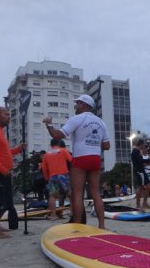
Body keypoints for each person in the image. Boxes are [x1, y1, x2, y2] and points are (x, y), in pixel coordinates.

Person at [43, 94, 110, 229]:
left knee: (77, 193)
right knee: (96, 193)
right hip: (95, 159)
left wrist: (49, 124)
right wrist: (94, 144)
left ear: (84, 105)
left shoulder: (76, 119)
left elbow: (57, 135)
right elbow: (107, 146)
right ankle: (102, 226)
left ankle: (78, 226)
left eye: (77, 103)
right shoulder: (101, 122)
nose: (75, 105)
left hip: (80, 158)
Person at [0, 106, 25, 238]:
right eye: (6, 114)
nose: (9, 117)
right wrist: (2, 170)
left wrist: (18, 149)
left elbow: (4, 152)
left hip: (4, 171)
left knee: (5, 202)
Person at [41, 138, 72, 220]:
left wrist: (47, 178)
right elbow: (71, 160)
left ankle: (53, 215)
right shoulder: (64, 151)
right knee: (70, 194)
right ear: (59, 143)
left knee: (52, 196)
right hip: (63, 175)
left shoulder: (46, 154)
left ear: (51, 145)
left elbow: (44, 168)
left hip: (53, 176)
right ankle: (73, 212)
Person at [131, 138, 150, 210]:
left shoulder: (138, 151)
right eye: (143, 145)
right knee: (141, 187)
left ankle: (144, 203)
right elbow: (140, 161)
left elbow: (140, 161)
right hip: (139, 172)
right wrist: (148, 160)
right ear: (141, 144)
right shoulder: (135, 151)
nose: (144, 146)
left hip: (142, 171)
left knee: (148, 186)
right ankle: (138, 205)